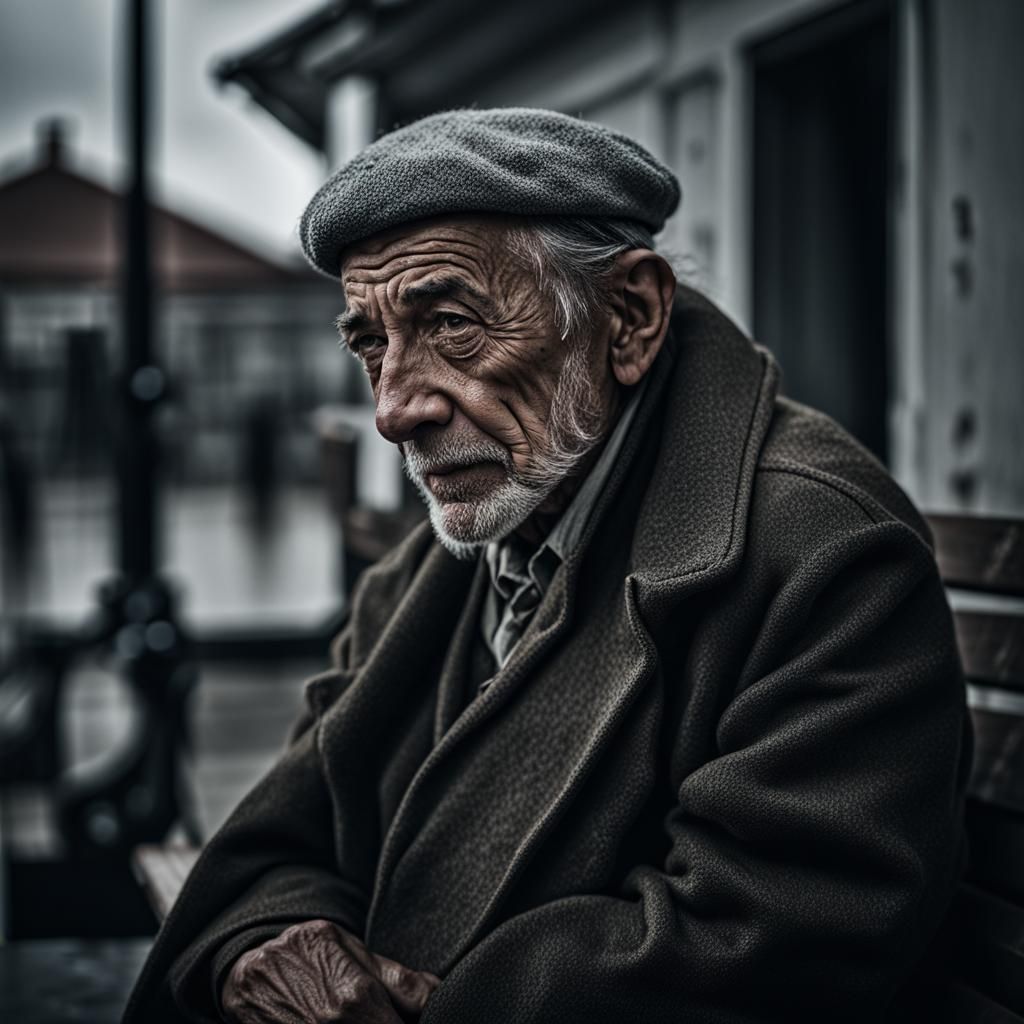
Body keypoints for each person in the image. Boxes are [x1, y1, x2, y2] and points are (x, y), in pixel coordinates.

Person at [123, 108, 970, 1023]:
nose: (395, 408)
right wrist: (268, 942)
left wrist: (425, 1006)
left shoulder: (823, 553)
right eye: (371, 343)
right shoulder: (455, 554)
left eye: (450, 323)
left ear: (631, 317)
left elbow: (777, 939)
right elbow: (289, 831)